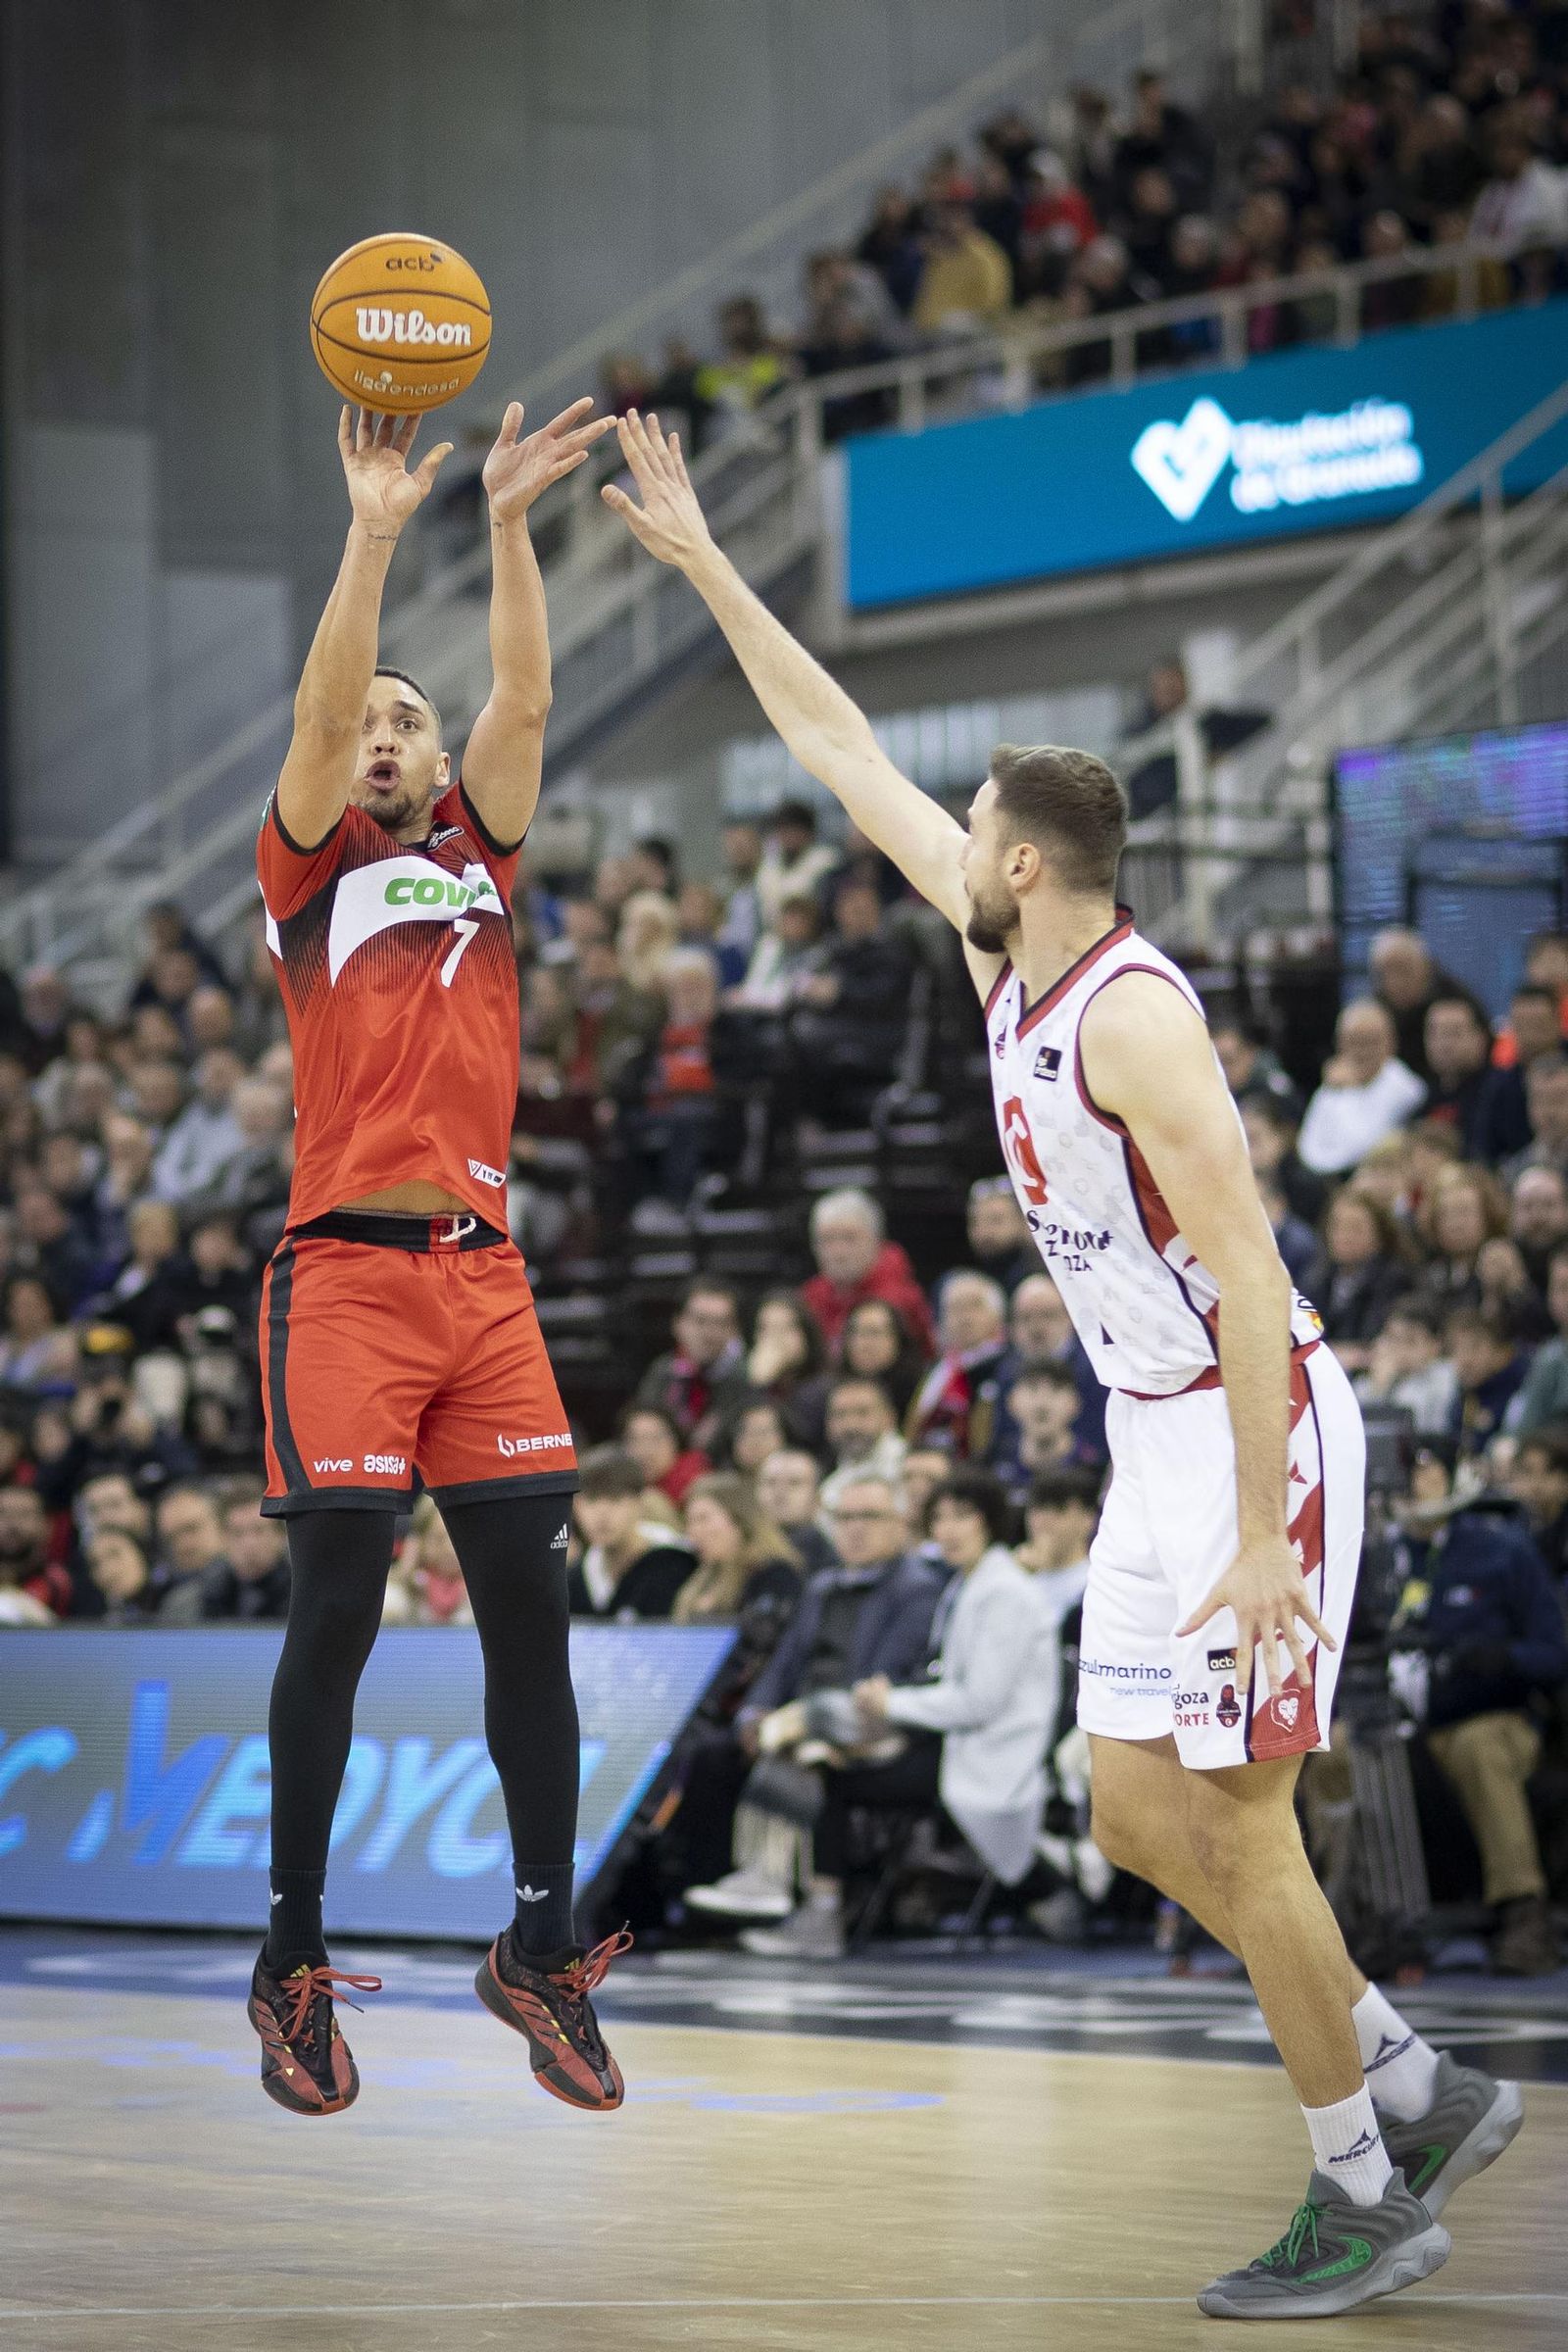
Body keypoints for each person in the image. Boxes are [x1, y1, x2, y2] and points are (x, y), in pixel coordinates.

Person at [603, 409, 1518, 2310]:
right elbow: (841, 749)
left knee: (1244, 1826)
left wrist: (1258, 1531)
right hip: (1151, 1434)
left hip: (1256, 1428)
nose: (941, 848)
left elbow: (1252, 1278)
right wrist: (703, 565)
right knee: (1128, 1811)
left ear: (1018, 858)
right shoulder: (1005, 961)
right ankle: (1412, 2080)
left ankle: (1363, 2182)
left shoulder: (1133, 1024)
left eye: (969, 836)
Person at [247, 397, 627, 2122]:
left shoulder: (479, 857)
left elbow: (523, 701)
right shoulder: (308, 868)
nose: (393, 736)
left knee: (531, 1621)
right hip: (343, 1280)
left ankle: (540, 1949)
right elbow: (323, 715)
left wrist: (509, 527)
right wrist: (376, 531)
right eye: (379, 724)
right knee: (337, 1612)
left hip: (485, 1286)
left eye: (417, 718)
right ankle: (291, 1957)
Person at [799, 1187, 936, 1354]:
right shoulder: (810, 1297)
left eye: (849, 1238)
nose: (838, 1252)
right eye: (826, 1240)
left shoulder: (901, 1300)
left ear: (876, 1241)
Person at [1297, 1001, 1427, 1175]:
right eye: (1354, 1042)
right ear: (1339, 1044)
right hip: (1323, 1178)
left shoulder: (1405, 1088)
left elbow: (1364, 1145)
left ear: (1391, 1042)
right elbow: (1307, 1145)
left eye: (1370, 1042)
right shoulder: (1332, 1086)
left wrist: (1351, 1090)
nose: (1362, 1051)